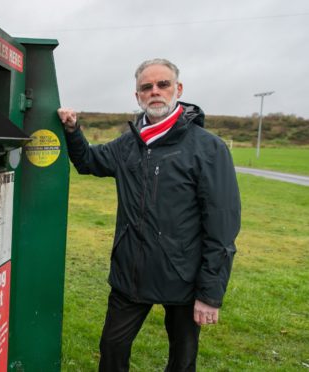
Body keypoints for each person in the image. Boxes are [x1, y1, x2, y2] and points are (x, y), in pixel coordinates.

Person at [57, 58, 241, 372]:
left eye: (163, 84)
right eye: (146, 87)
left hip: (184, 276)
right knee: (112, 349)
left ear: (178, 89)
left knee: (182, 359)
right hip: (132, 273)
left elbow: (222, 225)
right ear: (138, 95)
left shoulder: (209, 149)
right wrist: (73, 131)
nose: (154, 92)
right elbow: (88, 161)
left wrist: (210, 293)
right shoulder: (128, 143)